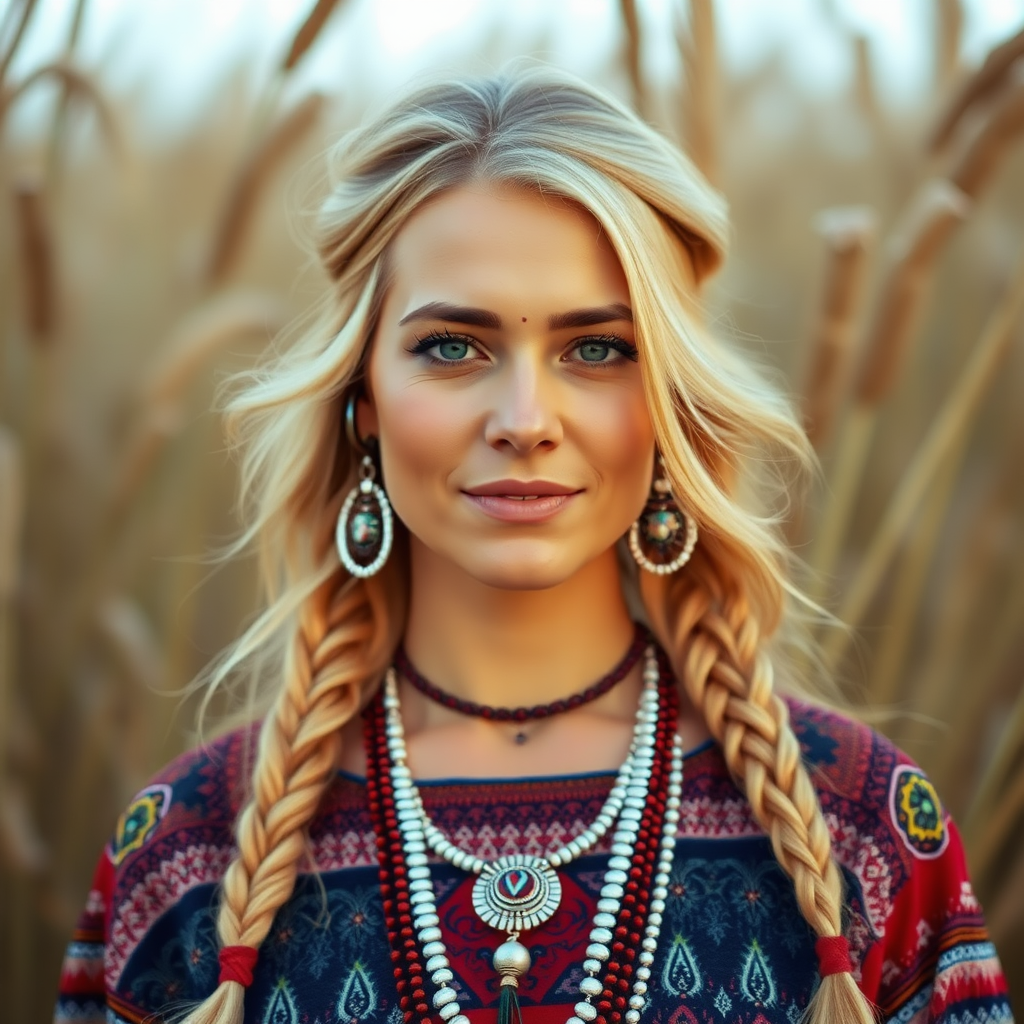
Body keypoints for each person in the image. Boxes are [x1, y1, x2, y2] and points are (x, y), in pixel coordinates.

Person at [54, 66, 1011, 1024]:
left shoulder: (865, 830)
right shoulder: (184, 851)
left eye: (596, 349)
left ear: (671, 404)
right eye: (452, 347)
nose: (524, 420)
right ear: (363, 402)